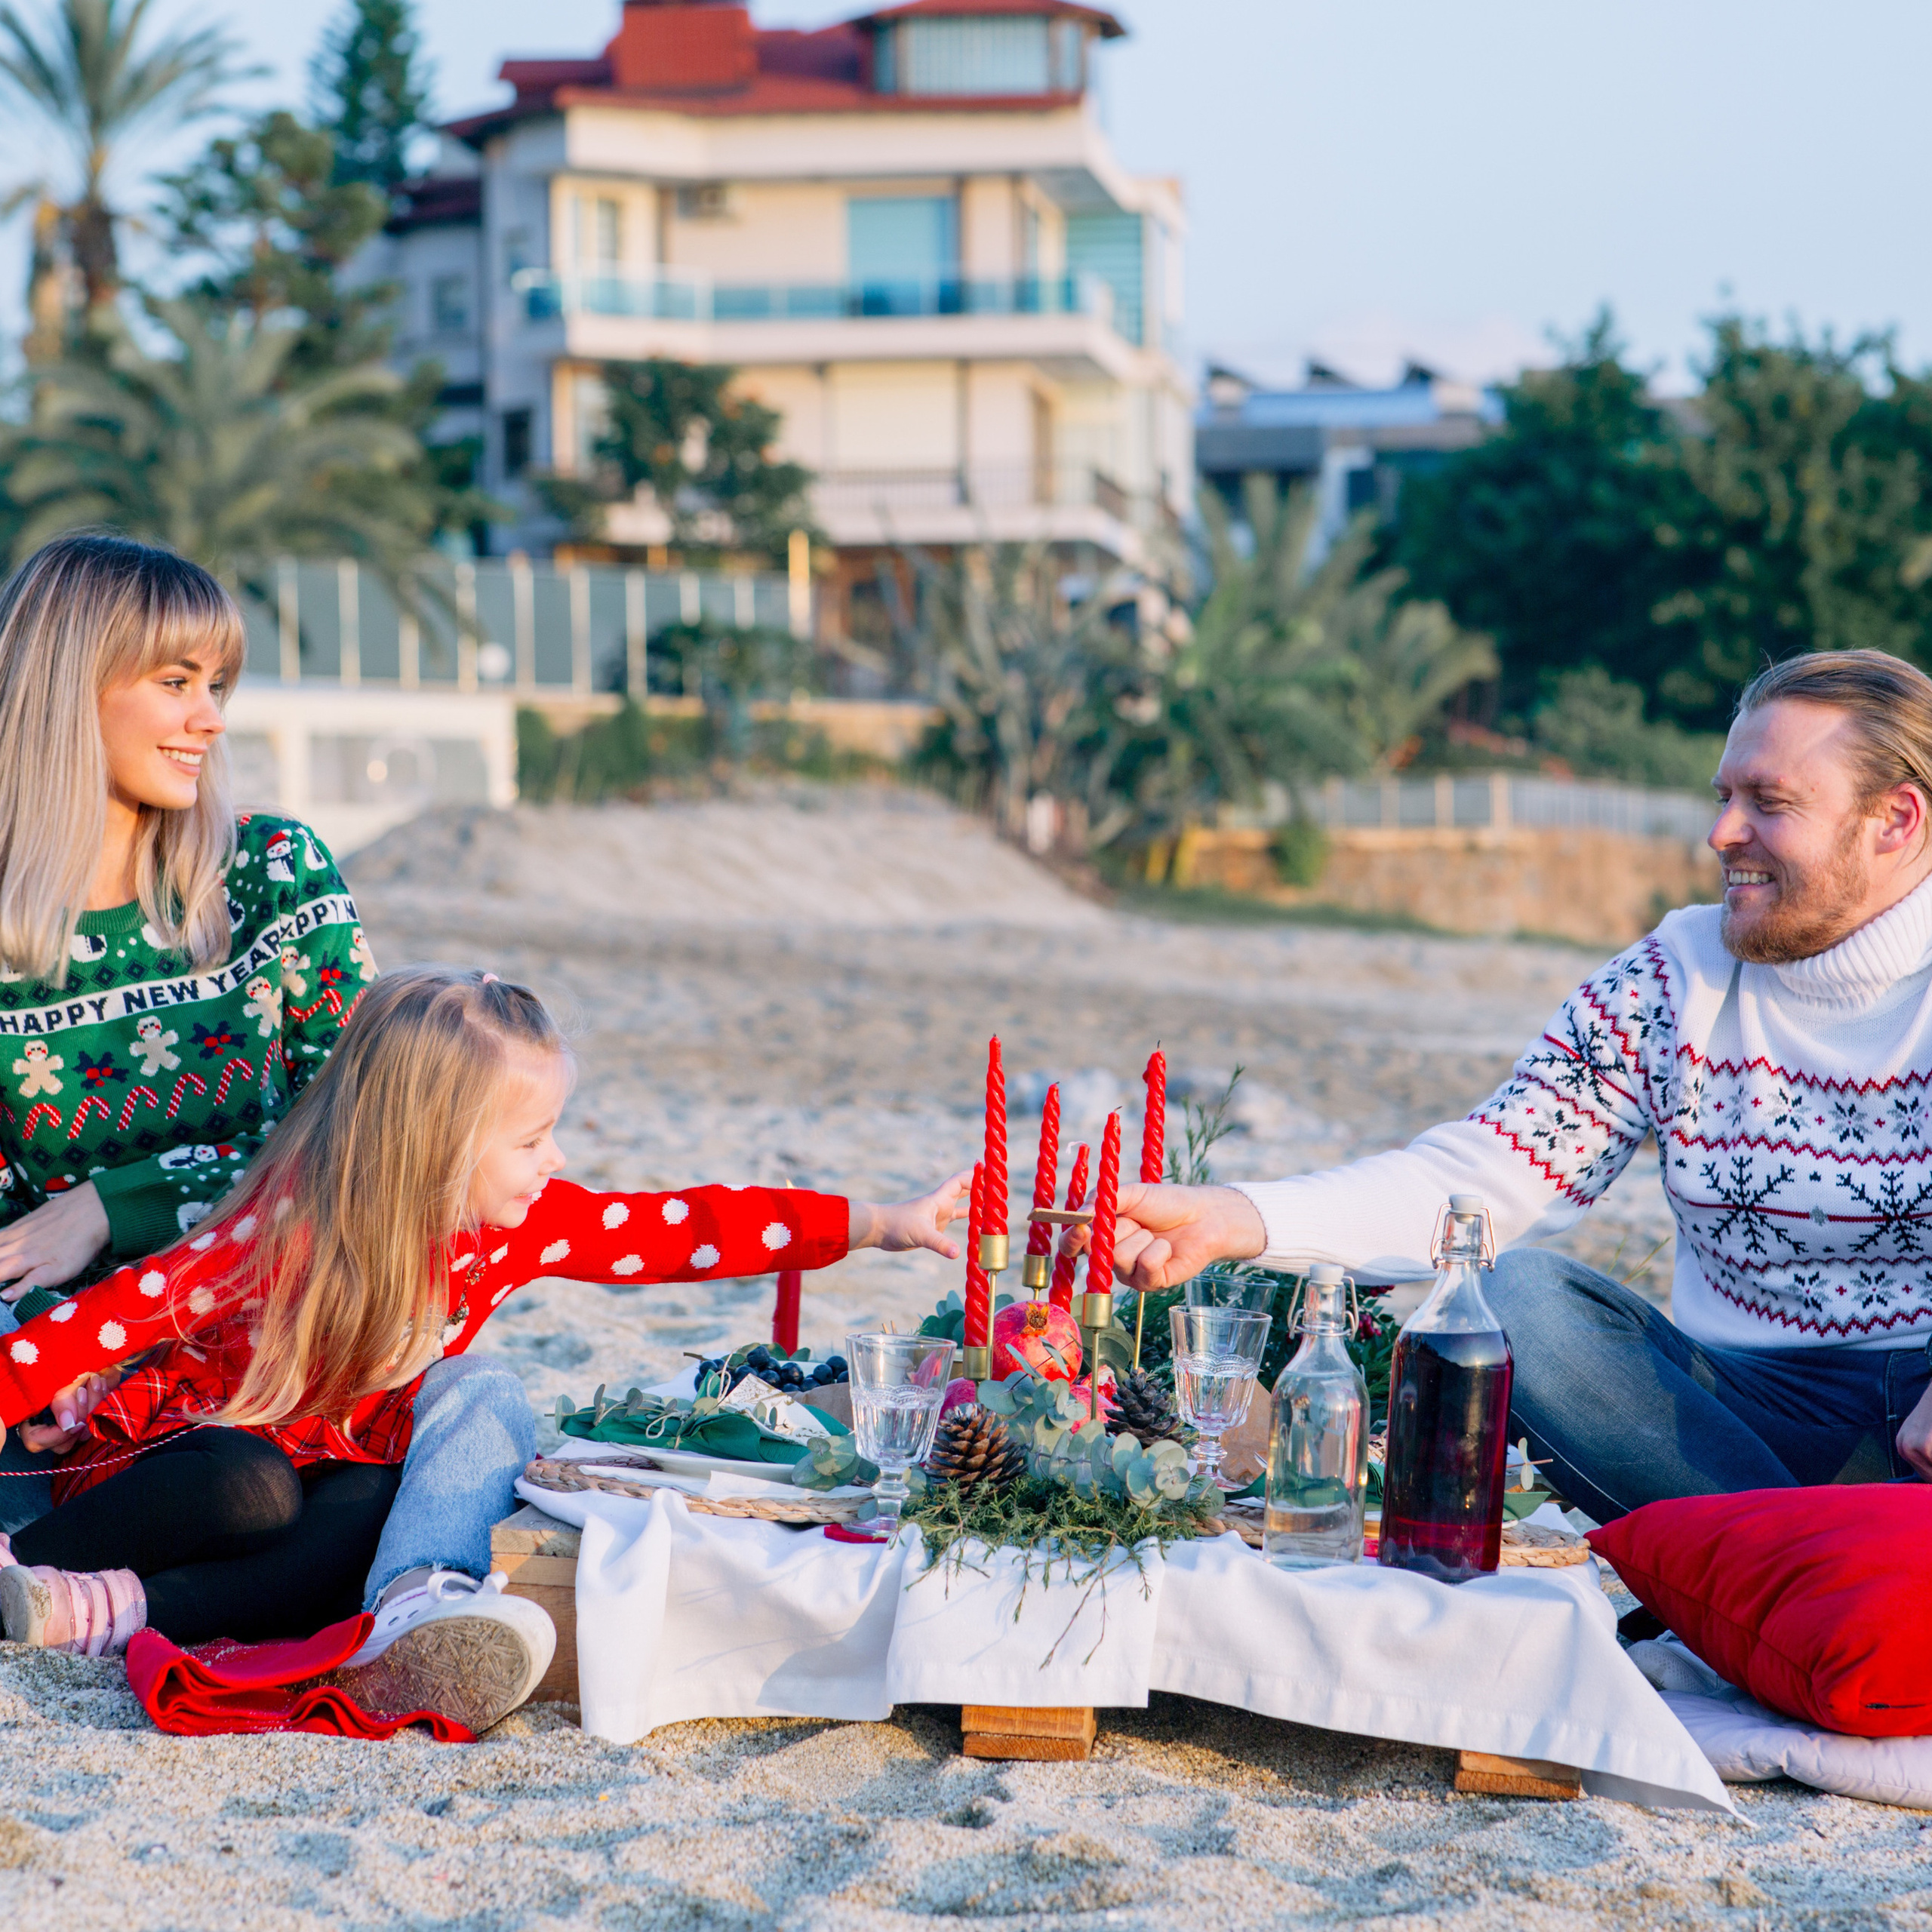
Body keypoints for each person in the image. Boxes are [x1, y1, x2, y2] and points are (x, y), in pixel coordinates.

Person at [0, 965, 968, 1734]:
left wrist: (879, 1222)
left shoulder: (521, 1226)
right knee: (251, 1485)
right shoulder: (283, 1231)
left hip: (330, 1464)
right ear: (436, 1145)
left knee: (372, 1521)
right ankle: (31, 1562)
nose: (554, 1161)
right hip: (191, 1459)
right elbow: (107, 1322)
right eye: (532, 1138)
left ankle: (113, 1610)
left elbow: (684, 1226)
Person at [1108, 651, 1932, 1522]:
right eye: (1723, 798)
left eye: (1767, 802)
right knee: (1518, 1302)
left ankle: (1753, 1588)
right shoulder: (1671, 977)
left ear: (1894, 821)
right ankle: (1783, 1579)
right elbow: (1482, 1182)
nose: (1722, 833)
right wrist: (1240, 1216)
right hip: (1723, 1421)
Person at [0, 534, 533, 1623]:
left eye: (218, 687)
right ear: (67, 691)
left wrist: (121, 1201)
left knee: (373, 1491)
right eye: (176, 682)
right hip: (87, 1404)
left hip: (279, 1353)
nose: (211, 718)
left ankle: (86, 1612)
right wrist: (60, 1341)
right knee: (245, 1493)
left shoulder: (275, 875)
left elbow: (368, 1137)